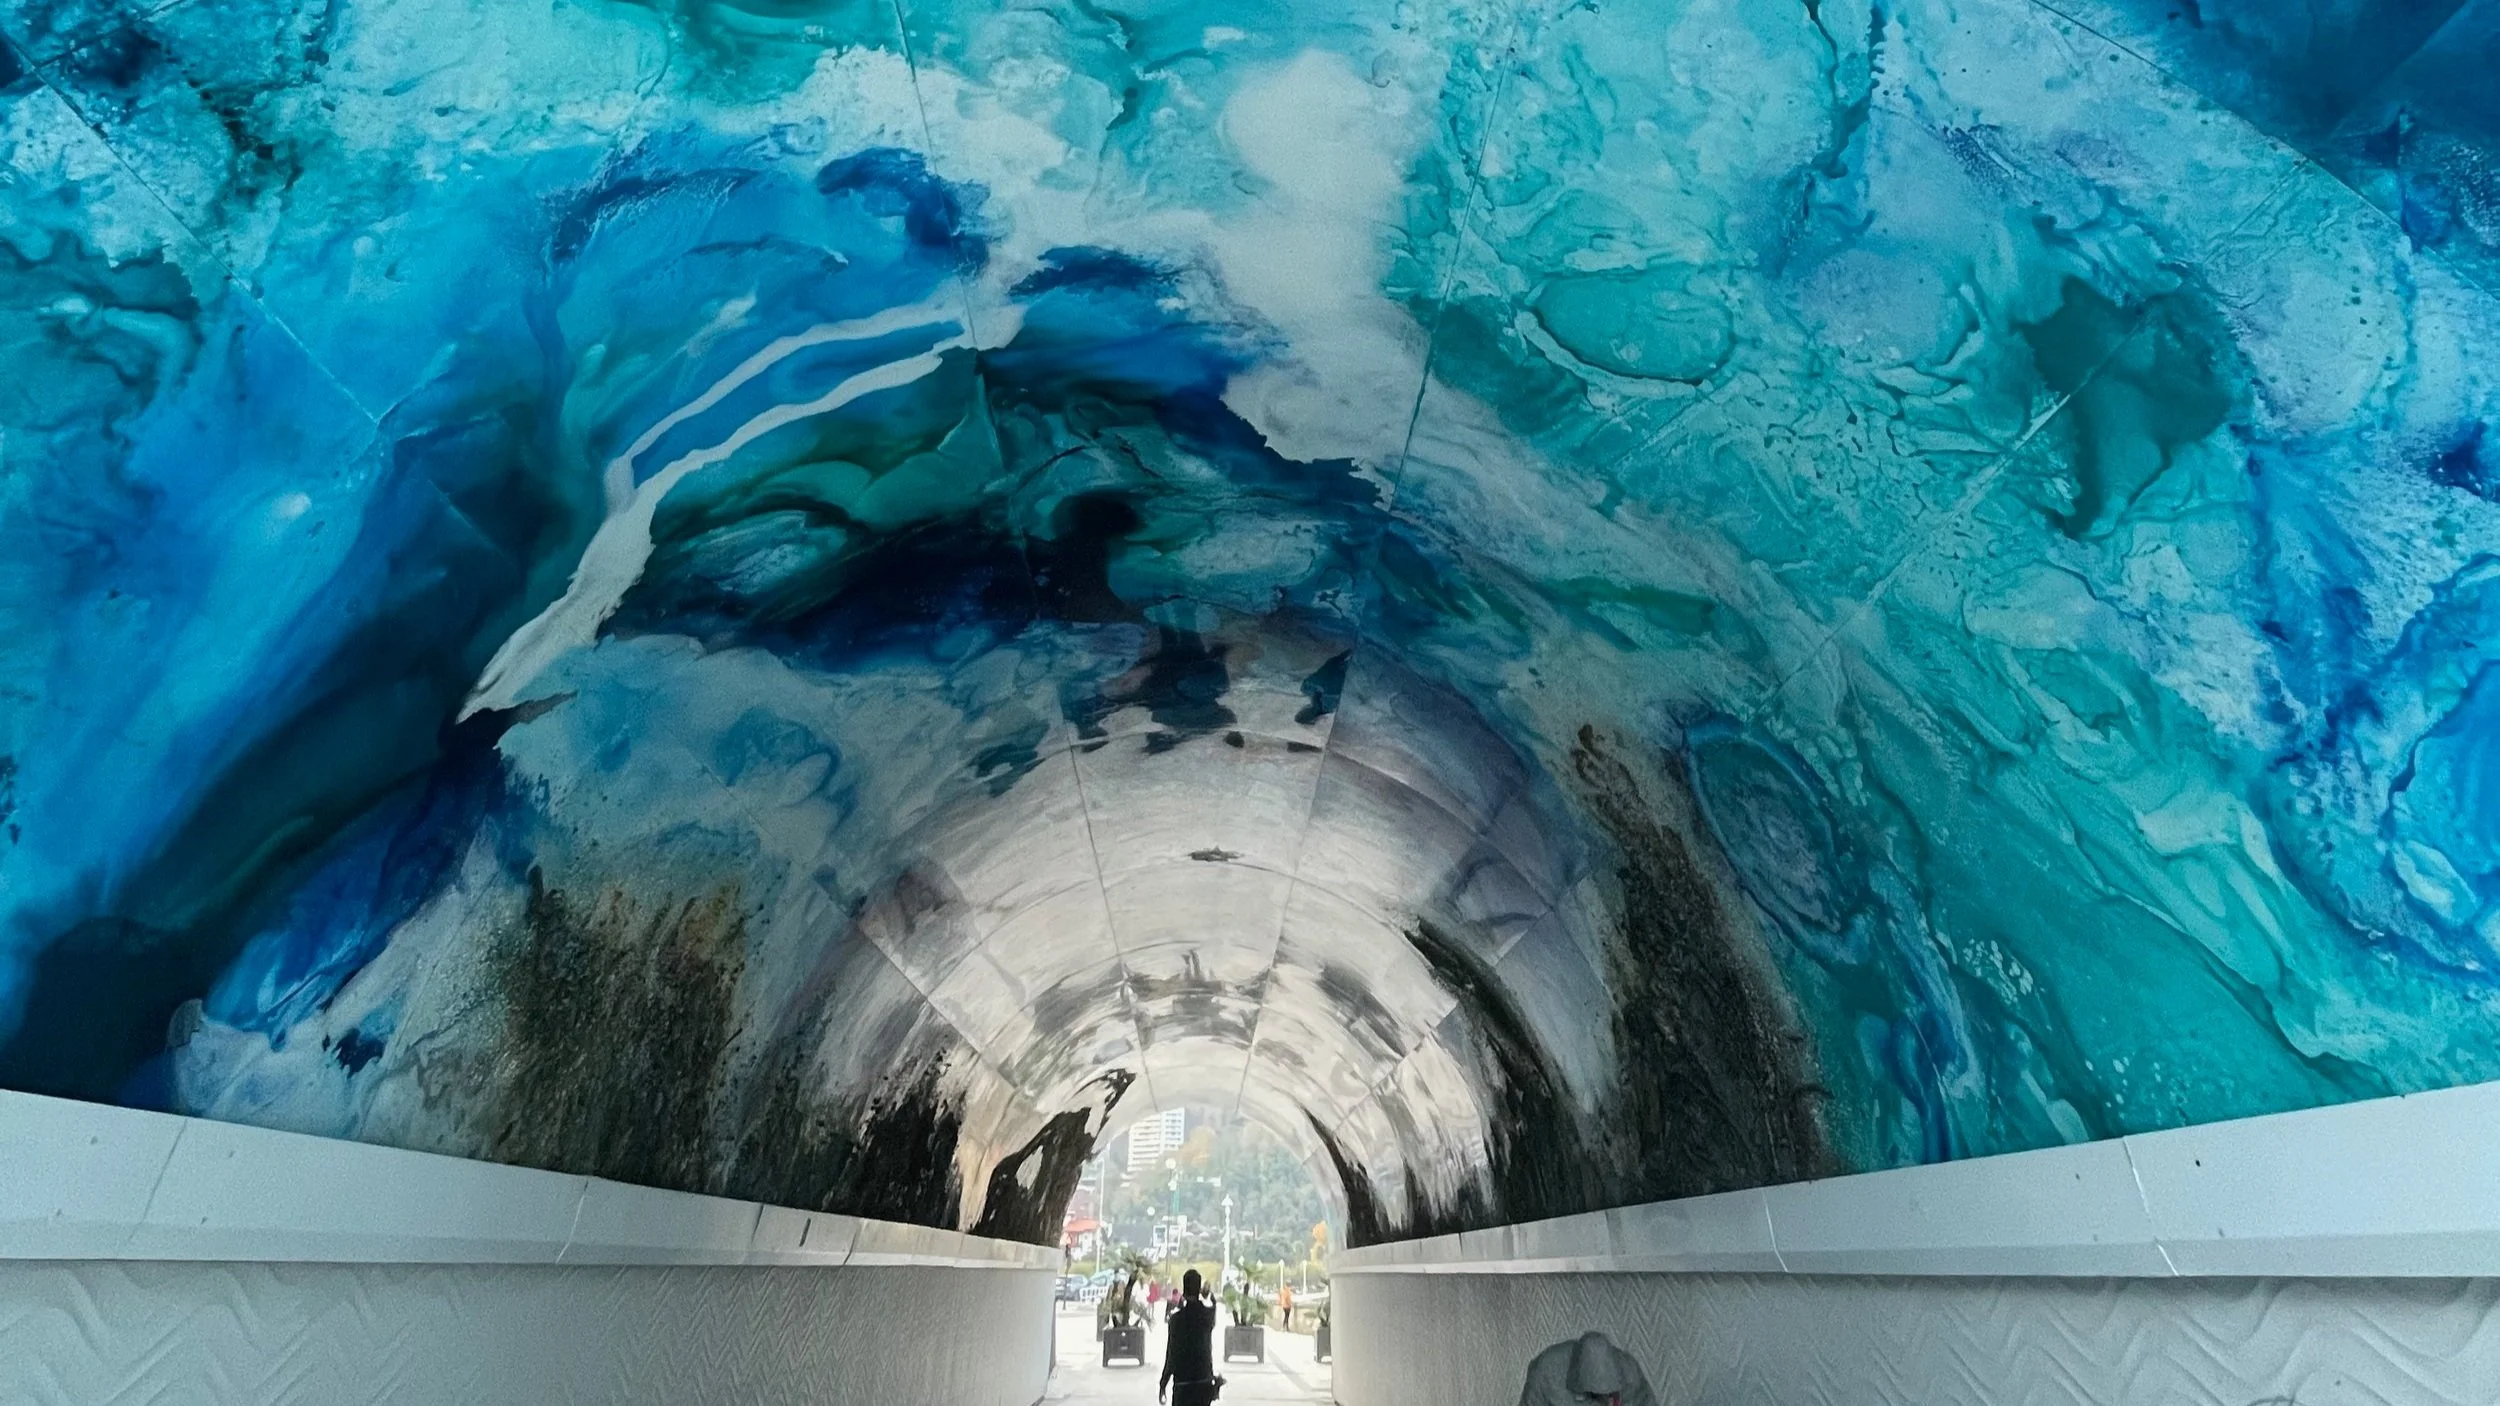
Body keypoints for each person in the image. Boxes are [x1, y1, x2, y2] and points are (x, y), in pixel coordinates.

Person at [1516, 1331, 1658, 1406]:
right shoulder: (1545, 1372)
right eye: (1598, 1395)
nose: (1606, 1401)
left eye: (1609, 1395)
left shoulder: (1631, 1373)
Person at [1157, 1268, 1221, 1406]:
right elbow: (1212, 1305)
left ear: (1184, 1292)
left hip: (1182, 1384)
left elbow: (1171, 1353)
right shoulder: (1207, 1317)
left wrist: (1163, 1383)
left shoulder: (1176, 1320)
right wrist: (1207, 1296)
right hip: (1203, 1382)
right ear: (1199, 1290)